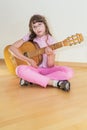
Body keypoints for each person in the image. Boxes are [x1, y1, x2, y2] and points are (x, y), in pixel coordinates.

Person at [9, 14, 74, 91]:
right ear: (32, 29)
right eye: (34, 27)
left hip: (48, 70)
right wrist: (28, 60)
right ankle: (55, 83)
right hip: (34, 69)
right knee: (19, 69)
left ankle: (32, 79)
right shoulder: (29, 36)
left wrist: (50, 55)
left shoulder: (52, 41)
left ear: (45, 25)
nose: (37, 28)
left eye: (39, 24)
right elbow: (11, 48)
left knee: (69, 72)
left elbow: (50, 66)